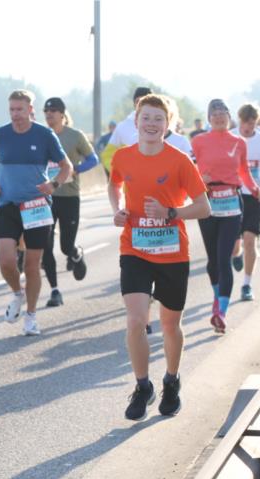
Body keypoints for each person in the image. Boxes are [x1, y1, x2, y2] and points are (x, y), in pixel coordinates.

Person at [109, 94, 211, 421]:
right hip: (135, 249)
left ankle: (171, 380)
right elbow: (114, 186)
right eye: (146, 118)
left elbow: (204, 207)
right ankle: (142, 387)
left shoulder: (180, 161)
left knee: (170, 324)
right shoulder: (123, 157)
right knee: (136, 320)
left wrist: (171, 212)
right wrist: (118, 211)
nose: (151, 124)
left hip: (172, 252)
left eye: (158, 119)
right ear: (136, 122)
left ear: (168, 126)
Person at [0, 90, 72, 336]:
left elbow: (67, 166)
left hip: (36, 207)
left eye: (20, 109)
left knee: (32, 265)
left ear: (30, 110)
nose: (15, 114)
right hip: (7, 205)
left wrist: (53, 185)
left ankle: (31, 316)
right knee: (5, 260)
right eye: (11, 109)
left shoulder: (44, 135)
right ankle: (16, 292)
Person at [191, 99, 260, 334]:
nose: (219, 116)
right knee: (212, 260)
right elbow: (192, 172)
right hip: (208, 204)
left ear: (229, 117)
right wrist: (202, 180)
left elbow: (244, 171)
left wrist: (255, 188)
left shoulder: (239, 142)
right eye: (215, 113)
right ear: (209, 118)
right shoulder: (198, 141)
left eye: (223, 113)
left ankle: (221, 311)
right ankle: (217, 296)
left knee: (224, 259)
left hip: (231, 202)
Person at [40, 97, 97, 307]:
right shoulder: (40, 135)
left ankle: (75, 253)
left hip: (69, 197)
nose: (49, 114)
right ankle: (55, 291)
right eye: (46, 111)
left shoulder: (75, 136)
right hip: (46, 199)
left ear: (62, 114)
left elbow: (93, 159)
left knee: (65, 246)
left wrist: (76, 169)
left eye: (53, 111)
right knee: (45, 246)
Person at [231, 104, 260, 302]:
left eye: (251, 123)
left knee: (250, 240)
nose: (247, 127)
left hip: (255, 195)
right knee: (235, 245)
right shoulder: (230, 137)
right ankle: (236, 253)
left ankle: (247, 284)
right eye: (244, 123)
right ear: (239, 120)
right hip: (231, 195)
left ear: (256, 122)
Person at [101, 85, 152, 173]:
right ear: (134, 103)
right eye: (138, 101)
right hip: (132, 184)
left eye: (147, 101)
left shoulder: (164, 125)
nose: (142, 105)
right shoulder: (122, 127)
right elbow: (107, 155)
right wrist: (120, 173)